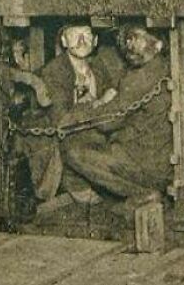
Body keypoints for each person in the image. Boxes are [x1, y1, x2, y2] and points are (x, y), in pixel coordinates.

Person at [62, 24, 171, 205]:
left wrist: (84, 110)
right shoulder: (164, 66)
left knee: (73, 151)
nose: (129, 44)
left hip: (147, 167)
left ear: (158, 45)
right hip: (164, 162)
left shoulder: (142, 76)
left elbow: (108, 122)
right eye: (128, 39)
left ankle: (142, 193)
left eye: (137, 38)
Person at [17, 23, 124, 205]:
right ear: (64, 41)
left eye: (87, 34)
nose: (82, 41)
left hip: (91, 128)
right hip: (64, 137)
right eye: (75, 35)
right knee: (79, 151)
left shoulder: (97, 65)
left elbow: (112, 93)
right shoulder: (55, 70)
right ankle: (76, 184)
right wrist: (100, 103)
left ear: (96, 41)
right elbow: (62, 119)